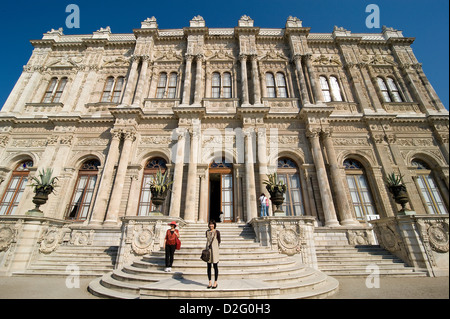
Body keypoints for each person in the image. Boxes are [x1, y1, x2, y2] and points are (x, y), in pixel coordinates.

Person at [205, 219, 221, 289]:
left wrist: (215, 248)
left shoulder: (217, 232)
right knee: (208, 267)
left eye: (212, 224)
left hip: (215, 251)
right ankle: (210, 282)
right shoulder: (207, 232)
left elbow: (219, 241)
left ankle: (215, 282)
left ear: (214, 225)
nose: (211, 225)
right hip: (208, 251)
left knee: (215, 267)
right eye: (210, 224)